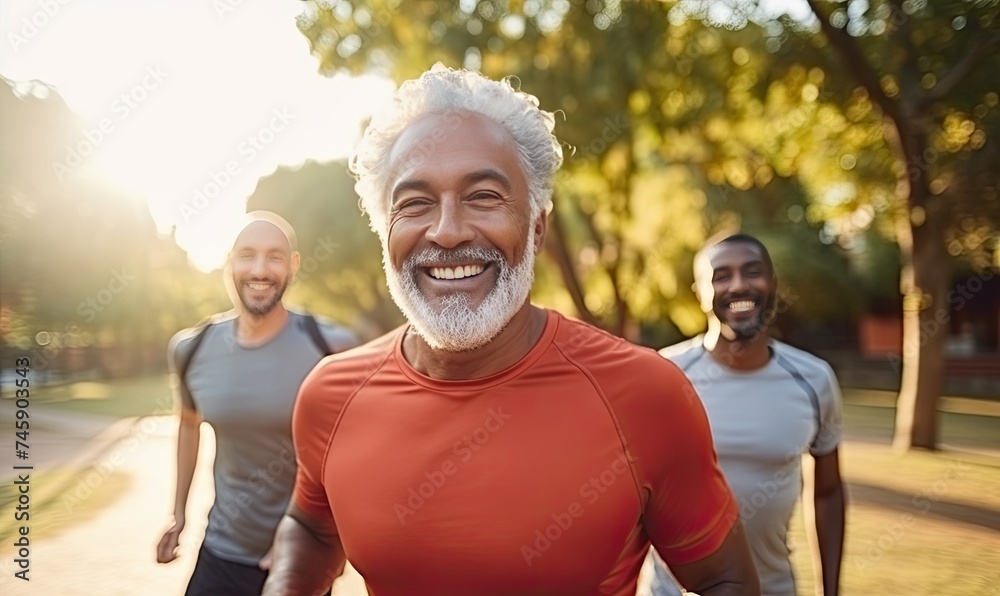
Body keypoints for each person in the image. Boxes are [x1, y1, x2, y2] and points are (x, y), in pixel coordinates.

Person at [261, 65, 760, 596]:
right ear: (385, 231)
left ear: (537, 226)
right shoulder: (329, 396)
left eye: (483, 196)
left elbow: (725, 579)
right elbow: (312, 527)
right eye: (415, 202)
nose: (448, 231)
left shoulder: (645, 394)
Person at [156, 211, 358, 595]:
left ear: (293, 266)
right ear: (229, 261)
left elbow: (353, 458)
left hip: (298, 559)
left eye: (275, 256)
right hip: (221, 552)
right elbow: (187, 424)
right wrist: (178, 513)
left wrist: (329, 543)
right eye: (247, 254)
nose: (260, 269)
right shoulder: (191, 348)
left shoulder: (332, 348)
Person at [649, 233, 846, 596]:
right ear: (700, 291)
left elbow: (829, 492)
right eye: (722, 276)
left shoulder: (814, 380)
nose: (739, 285)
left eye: (752, 272)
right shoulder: (662, 375)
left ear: (773, 284)